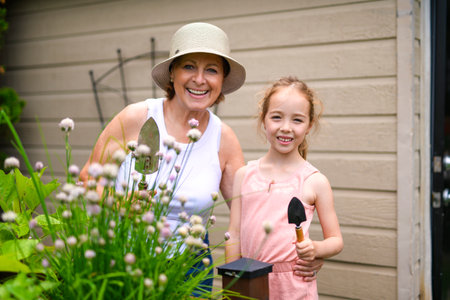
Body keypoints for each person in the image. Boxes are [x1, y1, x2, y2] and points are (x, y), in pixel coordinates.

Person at [80, 22, 246, 292]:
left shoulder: (224, 139)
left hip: (190, 267)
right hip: (121, 258)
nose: (200, 79)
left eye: (212, 70)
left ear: (222, 81)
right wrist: (119, 203)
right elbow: (87, 179)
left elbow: (247, 212)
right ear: (172, 73)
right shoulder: (138, 118)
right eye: (189, 66)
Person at [225, 76, 343, 299]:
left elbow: (336, 241)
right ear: (264, 120)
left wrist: (315, 249)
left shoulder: (314, 181)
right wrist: (232, 281)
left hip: (294, 285)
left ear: (309, 126)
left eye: (297, 120)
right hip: (250, 281)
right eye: (277, 117)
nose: (286, 128)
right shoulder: (244, 175)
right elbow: (234, 234)